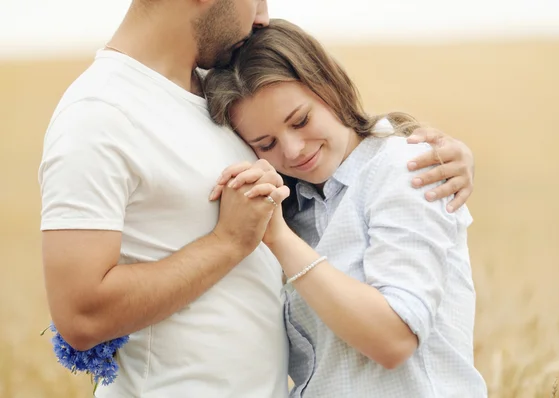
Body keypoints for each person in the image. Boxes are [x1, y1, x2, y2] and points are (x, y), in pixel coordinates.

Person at [38, 1, 476, 397]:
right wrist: (231, 241)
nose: (263, 14)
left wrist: (421, 151)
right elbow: (81, 317)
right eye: (264, 144)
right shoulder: (98, 115)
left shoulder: (216, 89)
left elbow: (332, 144)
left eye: (298, 122)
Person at [204, 19, 487, 397]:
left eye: (301, 120)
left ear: (329, 85)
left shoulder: (404, 168)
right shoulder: (293, 204)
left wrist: (279, 238)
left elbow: (394, 339)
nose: (292, 150)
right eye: (266, 143)